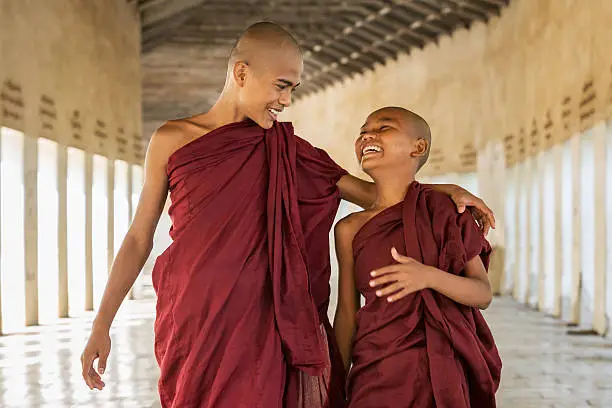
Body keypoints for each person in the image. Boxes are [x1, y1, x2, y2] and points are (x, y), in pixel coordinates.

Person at [80, 23, 496, 408]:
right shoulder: (172, 139)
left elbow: (377, 195)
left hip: (267, 323)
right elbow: (138, 238)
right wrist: (102, 324)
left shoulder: (288, 150)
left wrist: (444, 191)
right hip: (196, 317)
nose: (286, 101)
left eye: (293, 89)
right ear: (241, 73)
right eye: (281, 86)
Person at [333, 107, 502, 408]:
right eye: (362, 130)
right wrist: (334, 384)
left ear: (418, 147)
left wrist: (428, 277)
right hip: (377, 371)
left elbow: (482, 293)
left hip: (441, 370)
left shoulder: (446, 212)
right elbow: (347, 313)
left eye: (384, 127)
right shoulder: (348, 229)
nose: (367, 135)